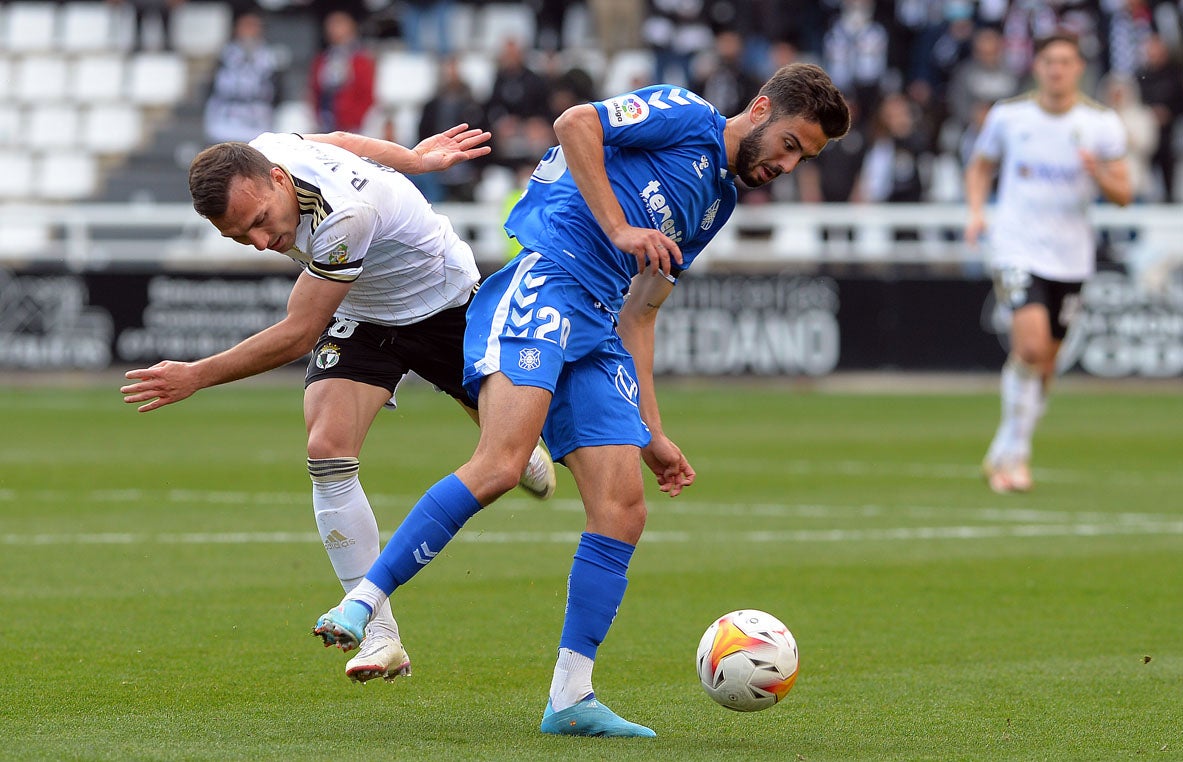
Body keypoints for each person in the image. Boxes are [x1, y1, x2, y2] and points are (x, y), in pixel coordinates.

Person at [312, 63, 849, 737]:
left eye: (804, 157)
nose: (788, 163)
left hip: (596, 326)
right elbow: (574, 125)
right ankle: (363, 604)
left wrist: (652, 430)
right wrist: (621, 228)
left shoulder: (718, 203)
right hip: (543, 281)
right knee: (503, 463)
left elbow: (642, 315)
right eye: (791, 144)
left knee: (622, 509)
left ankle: (570, 696)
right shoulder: (684, 115)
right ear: (762, 108)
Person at [120, 125, 558, 683]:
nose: (260, 243)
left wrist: (197, 375)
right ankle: (379, 635)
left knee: (501, 445)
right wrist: (412, 160)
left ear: (277, 181)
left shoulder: (342, 217)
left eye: (259, 222)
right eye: (239, 237)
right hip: (365, 311)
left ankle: (518, 450)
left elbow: (299, 332)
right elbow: (337, 141)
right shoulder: (270, 150)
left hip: (440, 298)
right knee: (326, 448)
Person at [964, 32, 1131, 494]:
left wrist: (1097, 171)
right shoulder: (1009, 116)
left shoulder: (1101, 125)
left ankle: (1005, 447)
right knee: (1032, 347)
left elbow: (1124, 194)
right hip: (1017, 247)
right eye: (1049, 61)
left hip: (1071, 256)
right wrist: (977, 212)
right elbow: (980, 166)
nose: (1057, 69)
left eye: (1066, 62)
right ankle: (1016, 458)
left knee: (1048, 363)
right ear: (1036, 67)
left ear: (1079, 69)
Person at [203, 10, 283, 144]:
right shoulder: (224, 55)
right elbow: (212, 87)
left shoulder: (271, 58)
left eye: (254, 26)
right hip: (226, 119)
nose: (249, 31)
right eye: (245, 25)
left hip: (257, 120)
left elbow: (278, 91)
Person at [309, 10, 375, 133]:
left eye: (338, 24)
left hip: (353, 125)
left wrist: (355, 119)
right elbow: (315, 91)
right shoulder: (322, 59)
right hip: (326, 120)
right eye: (330, 25)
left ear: (351, 28)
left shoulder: (361, 60)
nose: (333, 29)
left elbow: (367, 93)